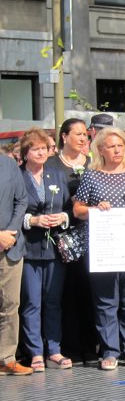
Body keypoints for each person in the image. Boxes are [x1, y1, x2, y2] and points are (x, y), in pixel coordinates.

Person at [73, 127, 125, 370]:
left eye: (120, 145)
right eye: (112, 146)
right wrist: (95, 210)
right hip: (104, 245)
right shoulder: (91, 176)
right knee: (106, 300)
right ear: (100, 150)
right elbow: (77, 209)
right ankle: (109, 351)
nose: (118, 150)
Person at [18, 128, 72, 371]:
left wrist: (62, 217)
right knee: (31, 301)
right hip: (28, 248)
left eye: (44, 149)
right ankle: (34, 352)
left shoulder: (57, 175)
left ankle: (54, 349)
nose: (41, 153)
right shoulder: (17, 176)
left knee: (53, 301)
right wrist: (32, 220)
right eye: (35, 149)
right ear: (25, 153)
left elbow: (71, 208)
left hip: (54, 248)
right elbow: (11, 211)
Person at [47, 118, 98, 365]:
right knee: (65, 293)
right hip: (61, 238)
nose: (82, 138)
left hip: (92, 236)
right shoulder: (51, 164)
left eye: (85, 135)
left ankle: (91, 348)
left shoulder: (93, 165)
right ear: (64, 137)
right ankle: (69, 347)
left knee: (89, 291)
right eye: (77, 134)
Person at [0, 151, 30, 375]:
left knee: (10, 305)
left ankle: (6, 359)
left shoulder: (9, 164)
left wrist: (9, 232)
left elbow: (22, 200)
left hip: (10, 245)